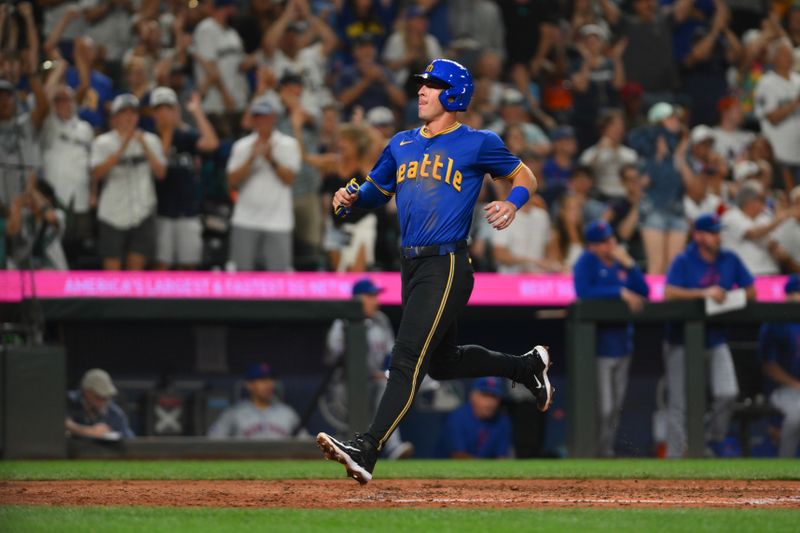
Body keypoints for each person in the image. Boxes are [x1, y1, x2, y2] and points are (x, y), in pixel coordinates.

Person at [316, 59, 553, 484]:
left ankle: (367, 449)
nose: (422, 91)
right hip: (412, 263)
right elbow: (375, 190)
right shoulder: (401, 143)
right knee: (441, 363)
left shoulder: (477, 142)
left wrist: (512, 202)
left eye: (432, 85)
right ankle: (526, 367)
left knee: (406, 357)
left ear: (454, 94)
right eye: (422, 85)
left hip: (447, 263)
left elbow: (526, 176)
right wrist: (352, 197)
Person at [663, 213, 755, 458]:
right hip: (681, 340)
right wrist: (704, 294)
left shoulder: (729, 258)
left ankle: (709, 439)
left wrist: (729, 298)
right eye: (712, 232)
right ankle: (674, 458)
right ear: (699, 236)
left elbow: (752, 290)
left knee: (728, 393)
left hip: (716, 338)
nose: (717, 237)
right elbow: (669, 292)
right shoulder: (684, 259)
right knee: (679, 402)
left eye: (717, 232)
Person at [573, 220, 649, 457]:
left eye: (611, 240)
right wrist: (619, 291)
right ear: (593, 246)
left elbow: (645, 292)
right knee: (604, 407)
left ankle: (605, 451)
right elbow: (584, 292)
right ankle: (594, 451)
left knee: (615, 407)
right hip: (598, 347)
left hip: (623, 344)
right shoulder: (586, 262)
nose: (610, 245)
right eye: (604, 242)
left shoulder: (621, 263)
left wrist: (632, 265)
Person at [326, 278, 414, 460]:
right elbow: (333, 358)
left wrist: (386, 373)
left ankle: (391, 448)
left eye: (376, 296)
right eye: (370, 296)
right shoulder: (341, 322)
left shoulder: (381, 320)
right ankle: (361, 448)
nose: (376, 301)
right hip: (345, 385)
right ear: (357, 298)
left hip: (374, 381)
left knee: (390, 384)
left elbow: (392, 353)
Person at [90, 94, 166, 270]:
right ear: (115, 117)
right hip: (112, 213)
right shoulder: (103, 142)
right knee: (112, 273)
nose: (129, 117)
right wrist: (123, 146)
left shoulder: (150, 140)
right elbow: (97, 173)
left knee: (135, 274)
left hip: (142, 211)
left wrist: (144, 145)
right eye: (124, 112)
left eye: (133, 113)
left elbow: (161, 173)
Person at [226, 99, 301, 271]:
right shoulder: (242, 146)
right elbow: (232, 181)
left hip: (278, 221)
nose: (261, 121)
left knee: (278, 279)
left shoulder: (288, 144)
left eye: (265, 117)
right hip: (245, 220)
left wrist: (270, 159)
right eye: (257, 117)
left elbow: (289, 179)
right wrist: (251, 158)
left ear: (274, 118)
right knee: (242, 277)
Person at [151, 87, 219, 270]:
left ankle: (185, 300)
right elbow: (159, 170)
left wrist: (197, 112)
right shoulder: (150, 138)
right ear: (153, 113)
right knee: (162, 264)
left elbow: (212, 143)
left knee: (188, 265)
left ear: (176, 110)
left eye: (169, 108)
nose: (165, 113)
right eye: (160, 109)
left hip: (188, 210)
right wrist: (166, 132)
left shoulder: (187, 135)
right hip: (162, 211)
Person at [759, 274, 800, 457]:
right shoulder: (776, 322)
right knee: (796, 416)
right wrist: (797, 385)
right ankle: (786, 465)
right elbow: (769, 366)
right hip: (784, 389)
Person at [207, 362, 302, 439]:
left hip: (281, 461)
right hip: (245, 461)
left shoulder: (287, 412)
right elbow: (213, 441)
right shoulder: (234, 413)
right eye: (262, 379)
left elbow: (306, 444)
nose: (268, 384)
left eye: (270, 379)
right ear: (249, 385)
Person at [754, 38, 800, 191]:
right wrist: (795, 104)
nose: (789, 57)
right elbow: (772, 117)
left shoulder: (798, 81)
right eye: (784, 54)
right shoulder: (767, 83)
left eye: (791, 53)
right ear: (774, 58)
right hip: (777, 158)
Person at [436, 377, 512, 459]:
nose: (490, 402)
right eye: (485, 395)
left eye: (494, 396)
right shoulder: (457, 418)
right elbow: (458, 456)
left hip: (484, 469)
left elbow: (502, 457)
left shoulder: (502, 421)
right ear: (472, 396)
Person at [66, 368, 134, 439]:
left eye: (107, 397)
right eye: (100, 397)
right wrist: (88, 431)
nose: (104, 401)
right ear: (87, 392)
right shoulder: (68, 401)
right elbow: (61, 424)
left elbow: (129, 439)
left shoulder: (114, 413)